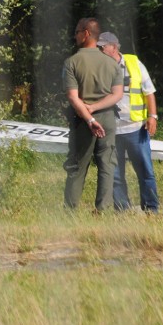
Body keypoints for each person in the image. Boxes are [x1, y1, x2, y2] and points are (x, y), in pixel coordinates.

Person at [62, 18, 123, 211]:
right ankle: (103, 210)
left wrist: (88, 115)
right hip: (107, 118)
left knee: (77, 166)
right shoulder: (112, 63)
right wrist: (96, 108)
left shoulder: (72, 62)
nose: (75, 35)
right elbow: (117, 94)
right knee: (107, 165)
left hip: (82, 119)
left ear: (86, 33)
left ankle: (70, 212)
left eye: (77, 31)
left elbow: (73, 97)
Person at [97, 32, 160, 212]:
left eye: (103, 47)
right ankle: (122, 212)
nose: (100, 50)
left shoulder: (134, 64)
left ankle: (151, 210)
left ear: (114, 47)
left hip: (135, 130)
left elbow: (149, 92)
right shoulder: (100, 68)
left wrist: (152, 116)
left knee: (145, 172)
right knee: (116, 176)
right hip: (111, 130)